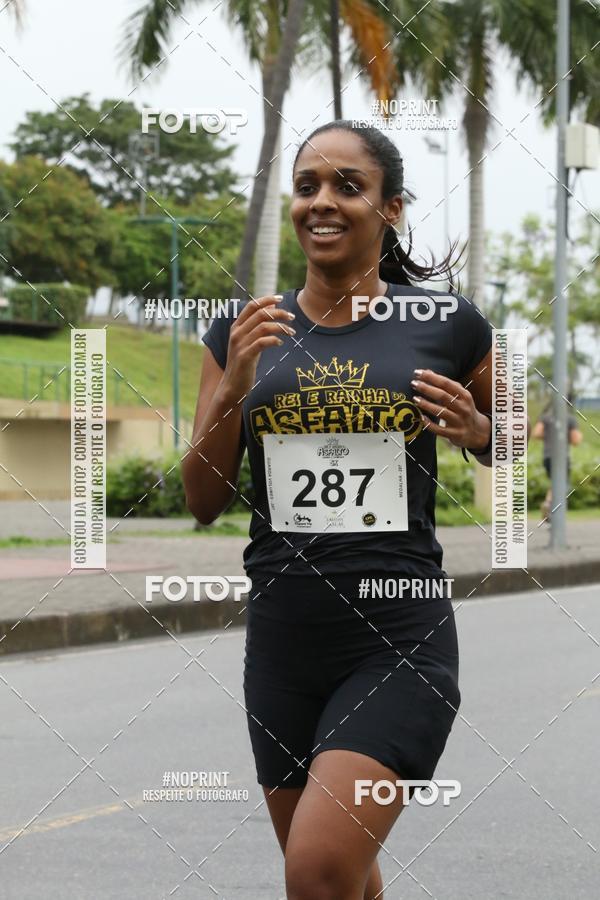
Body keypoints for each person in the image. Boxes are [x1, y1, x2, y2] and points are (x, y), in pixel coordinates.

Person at [182, 120, 528, 900]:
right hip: (282, 643)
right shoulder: (243, 333)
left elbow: (514, 438)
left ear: (391, 209)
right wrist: (234, 387)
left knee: (315, 869)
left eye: (348, 185)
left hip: (399, 638)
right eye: (307, 186)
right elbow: (202, 501)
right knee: (342, 880)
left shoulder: (449, 323)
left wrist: (478, 429)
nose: (322, 202)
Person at [532, 393, 582, 522]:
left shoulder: (546, 417)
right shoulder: (569, 419)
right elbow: (576, 440)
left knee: (555, 482)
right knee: (563, 484)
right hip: (561, 457)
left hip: (547, 456)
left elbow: (536, 433)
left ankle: (549, 507)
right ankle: (551, 507)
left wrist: (550, 436)